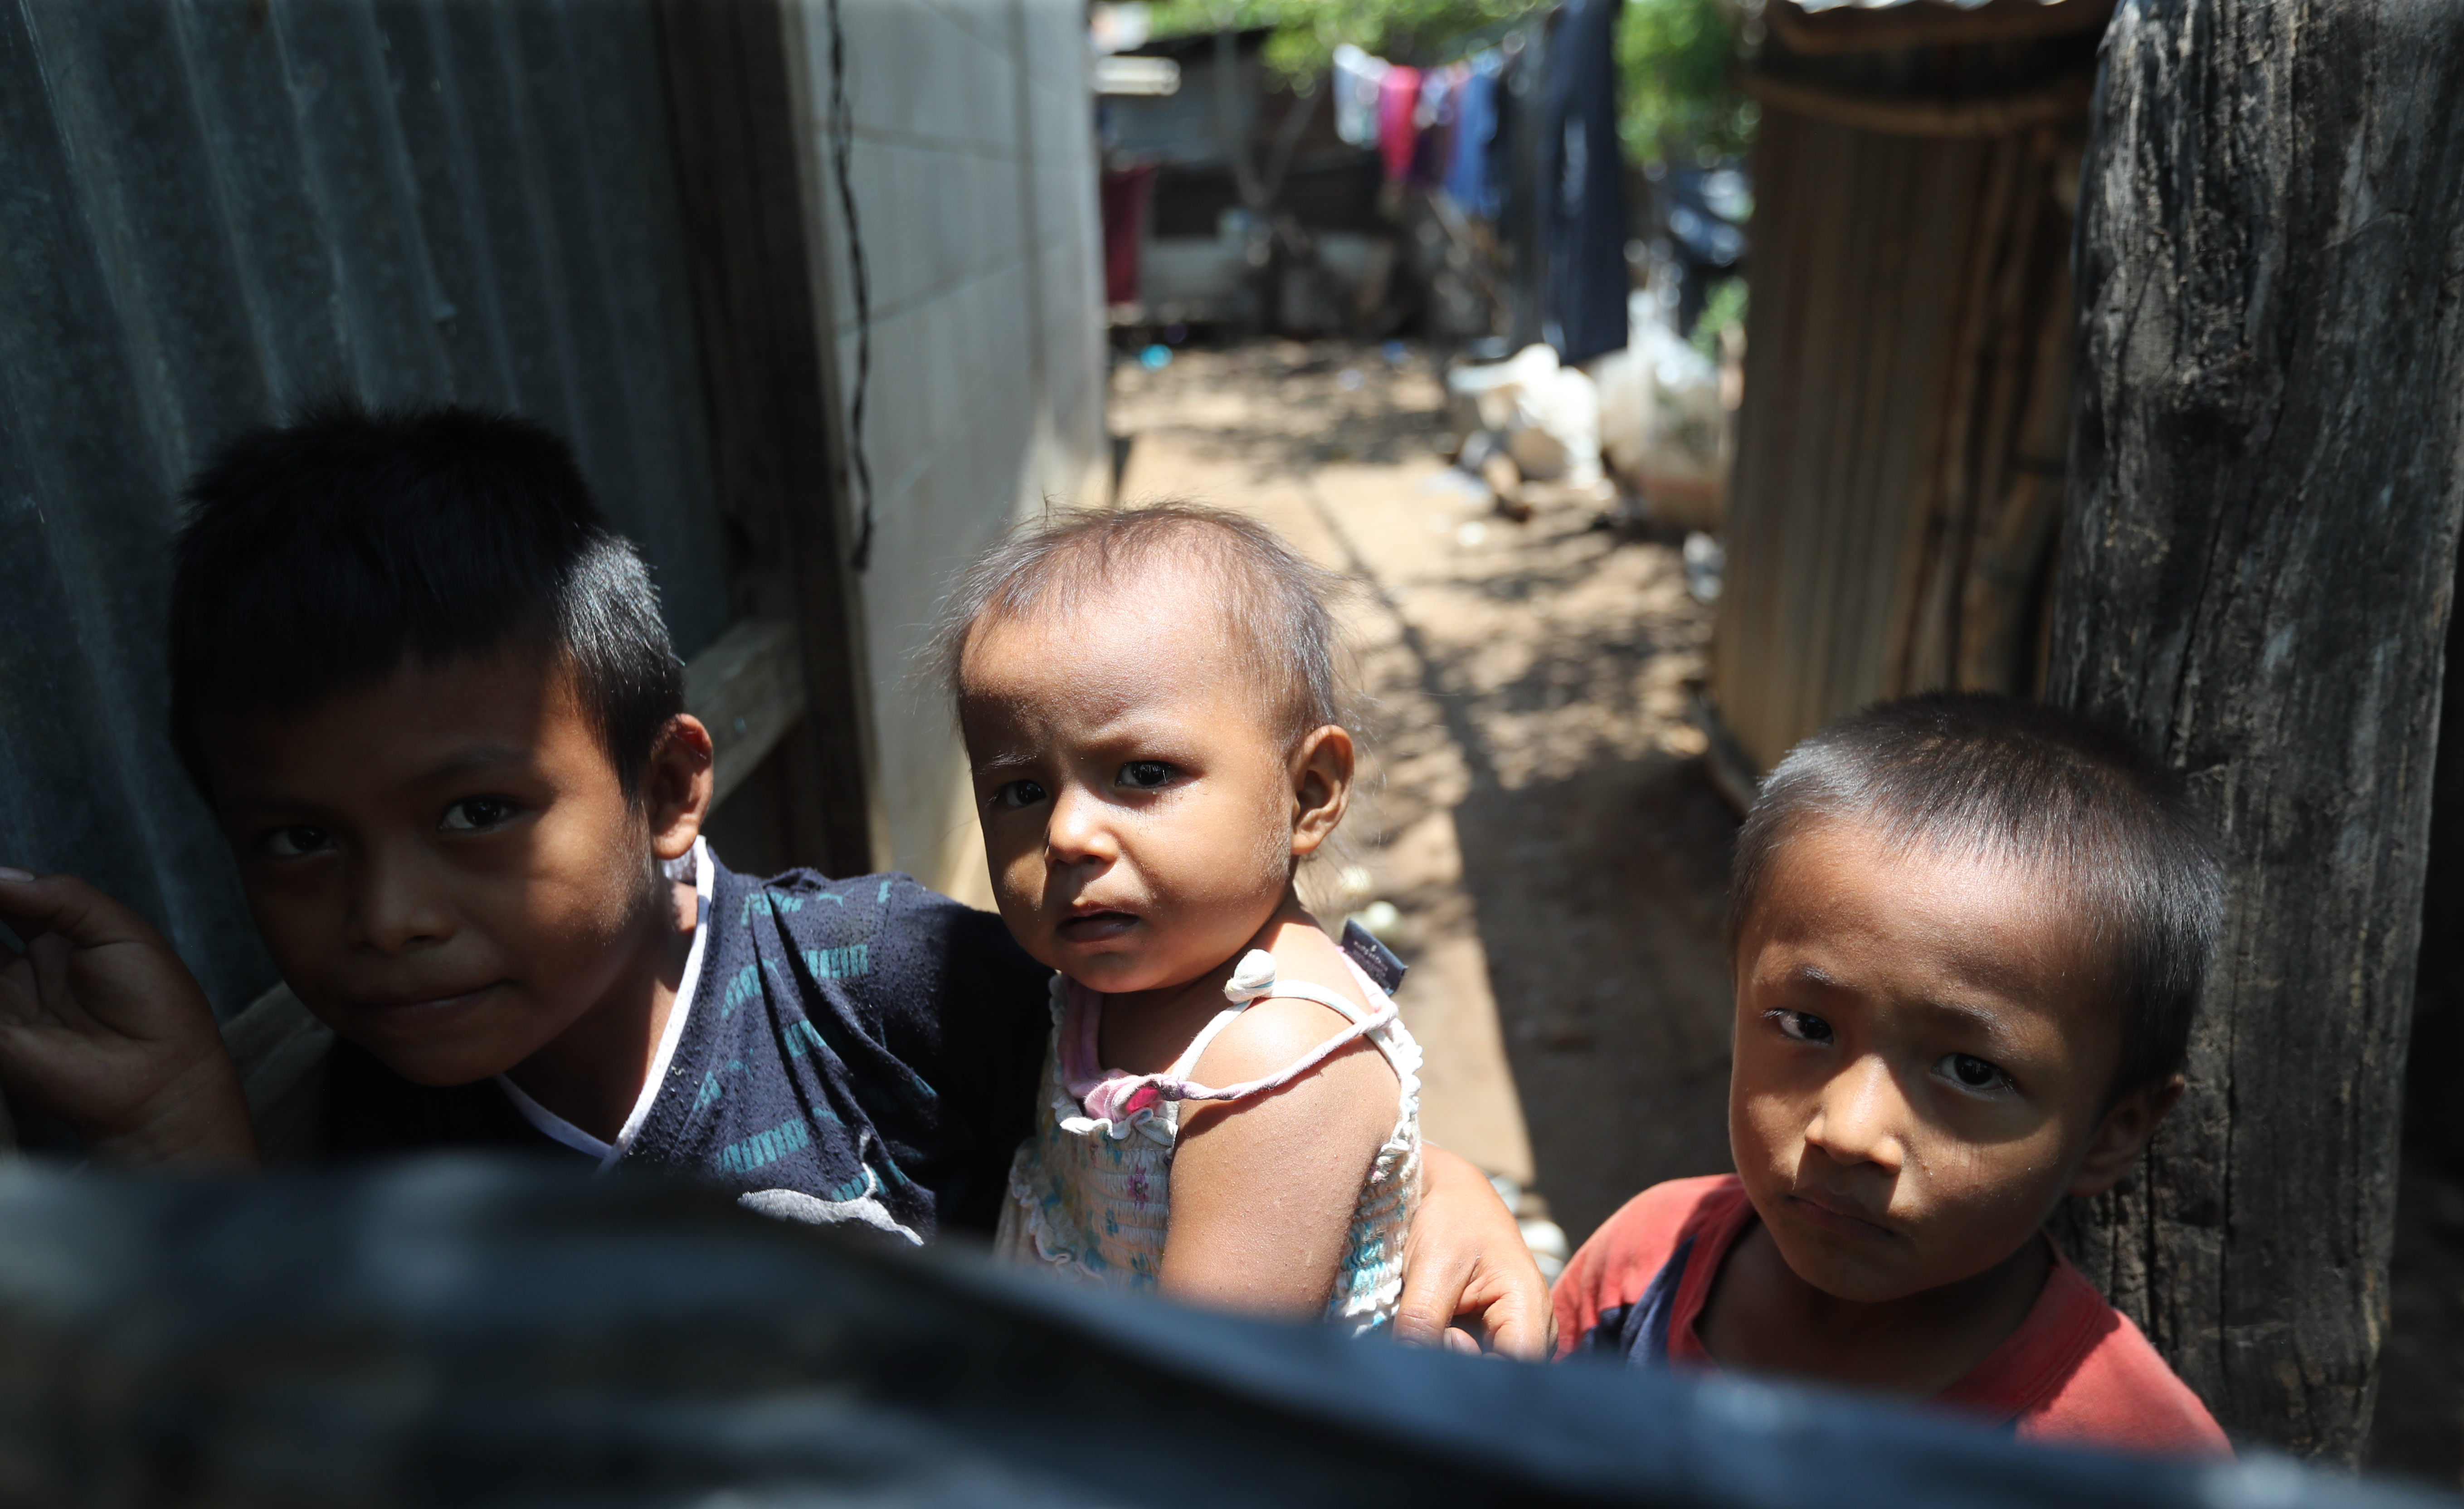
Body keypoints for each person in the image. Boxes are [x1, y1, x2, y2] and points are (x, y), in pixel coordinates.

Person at [0, 404, 1548, 1352]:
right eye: (297, 840)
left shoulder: (880, 982)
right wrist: (176, 1131)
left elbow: (1224, 1038)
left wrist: (1433, 1178)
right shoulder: (387, 1139)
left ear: (672, 784)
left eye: (476, 810)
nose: (388, 912)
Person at [1554, 694, 2232, 1455]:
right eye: (1807, 1027)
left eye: (1972, 1071)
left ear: (2115, 1132)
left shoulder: (2135, 1465)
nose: (1849, 1131)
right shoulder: (1645, 1265)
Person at [929, 505, 1420, 1328]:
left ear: (1307, 794)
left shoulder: (1277, 1060)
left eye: (1142, 772)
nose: (1066, 835)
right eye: (1021, 791)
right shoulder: (1112, 982)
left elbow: (1200, 1391)